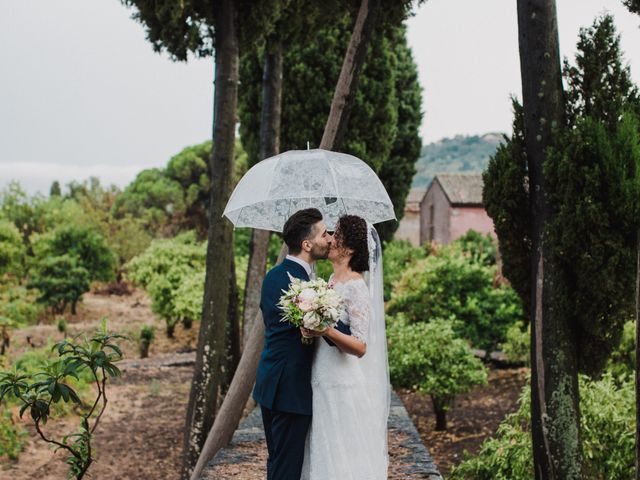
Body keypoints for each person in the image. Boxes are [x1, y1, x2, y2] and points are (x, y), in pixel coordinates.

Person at [300, 214, 390, 480]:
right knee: (321, 447)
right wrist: (310, 328)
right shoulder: (329, 281)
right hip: (321, 376)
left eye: (335, 236)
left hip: (341, 381)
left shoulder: (355, 286)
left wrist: (325, 329)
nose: (329, 240)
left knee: (341, 453)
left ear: (349, 249)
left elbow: (361, 346)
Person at [253, 207, 331, 480]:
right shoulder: (286, 280)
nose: (329, 239)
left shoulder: (298, 278)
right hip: (287, 388)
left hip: (278, 385)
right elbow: (294, 326)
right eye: (324, 234)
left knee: (280, 464)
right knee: (285, 468)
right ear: (307, 244)